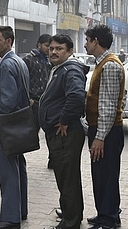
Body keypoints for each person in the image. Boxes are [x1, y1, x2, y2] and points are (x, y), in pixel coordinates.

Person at [38, 34, 88, 229]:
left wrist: (64, 120)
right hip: (59, 132)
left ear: (69, 51)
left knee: (67, 178)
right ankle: (70, 212)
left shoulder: (70, 69)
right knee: (66, 177)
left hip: (66, 133)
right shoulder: (60, 69)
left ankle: (71, 221)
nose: (53, 52)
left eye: (59, 48)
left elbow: (76, 96)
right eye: (51, 48)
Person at [0, 26, 30, 229]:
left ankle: (10, 219)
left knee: (8, 172)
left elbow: (8, 99)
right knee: (18, 167)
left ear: (9, 41)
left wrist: (0, 120)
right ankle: (20, 211)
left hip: (8, 126)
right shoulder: (19, 61)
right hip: (19, 124)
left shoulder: (7, 65)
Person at [83, 25, 125, 229]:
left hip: (106, 131)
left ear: (96, 41)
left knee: (106, 176)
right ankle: (106, 214)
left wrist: (99, 137)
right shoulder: (104, 63)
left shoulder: (109, 65)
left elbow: (108, 105)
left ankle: (108, 219)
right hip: (103, 129)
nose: (85, 44)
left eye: (87, 40)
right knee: (101, 175)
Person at [22, 34, 52, 122]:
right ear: (39, 45)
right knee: (32, 131)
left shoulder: (49, 60)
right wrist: (28, 99)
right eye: (46, 46)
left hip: (46, 102)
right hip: (33, 102)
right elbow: (22, 81)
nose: (49, 49)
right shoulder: (28, 59)